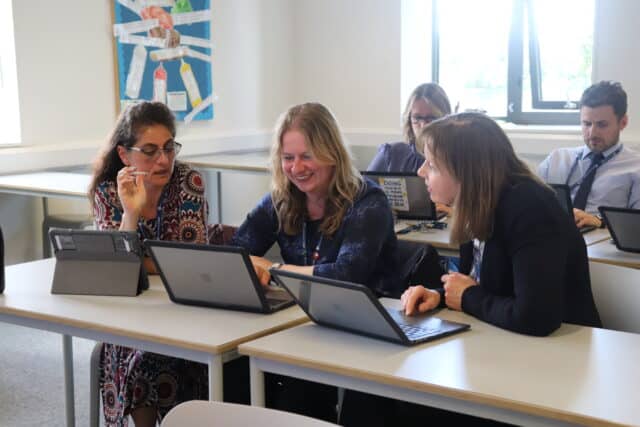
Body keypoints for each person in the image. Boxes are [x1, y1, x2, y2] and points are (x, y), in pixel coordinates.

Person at [230, 102, 402, 422]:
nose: (297, 168)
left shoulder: (368, 201)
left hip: (370, 334)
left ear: (331, 152)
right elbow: (238, 251)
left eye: (307, 155)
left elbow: (346, 275)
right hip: (307, 328)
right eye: (288, 158)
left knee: (303, 396)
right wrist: (254, 266)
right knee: (237, 376)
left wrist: (275, 269)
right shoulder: (282, 199)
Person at [89, 101, 232, 427]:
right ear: (125, 156)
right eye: (150, 150)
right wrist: (131, 213)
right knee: (141, 360)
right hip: (130, 318)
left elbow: (193, 260)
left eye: (169, 148)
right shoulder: (109, 191)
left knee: (168, 359)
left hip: (184, 311)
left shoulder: (188, 182)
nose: (164, 160)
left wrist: (140, 260)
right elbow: (121, 269)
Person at [402, 112, 602, 336]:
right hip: (506, 339)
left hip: (564, 350)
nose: (421, 172)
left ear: (465, 172)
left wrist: (466, 297)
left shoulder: (530, 208)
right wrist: (441, 295)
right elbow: (485, 289)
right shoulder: (475, 205)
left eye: (432, 165)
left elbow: (536, 316)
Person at [538, 80, 640, 229]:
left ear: (623, 122)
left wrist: (600, 221)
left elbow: (636, 228)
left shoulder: (636, 168)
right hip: (551, 241)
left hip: (601, 245)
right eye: (586, 124)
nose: (592, 133)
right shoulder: (556, 160)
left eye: (602, 125)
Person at [367, 82, 452, 173]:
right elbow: (365, 185)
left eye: (431, 118)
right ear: (409, 120)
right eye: (417, 118)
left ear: (444, 119)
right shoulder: (391, 154)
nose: (423, 125)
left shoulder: (456, 159)